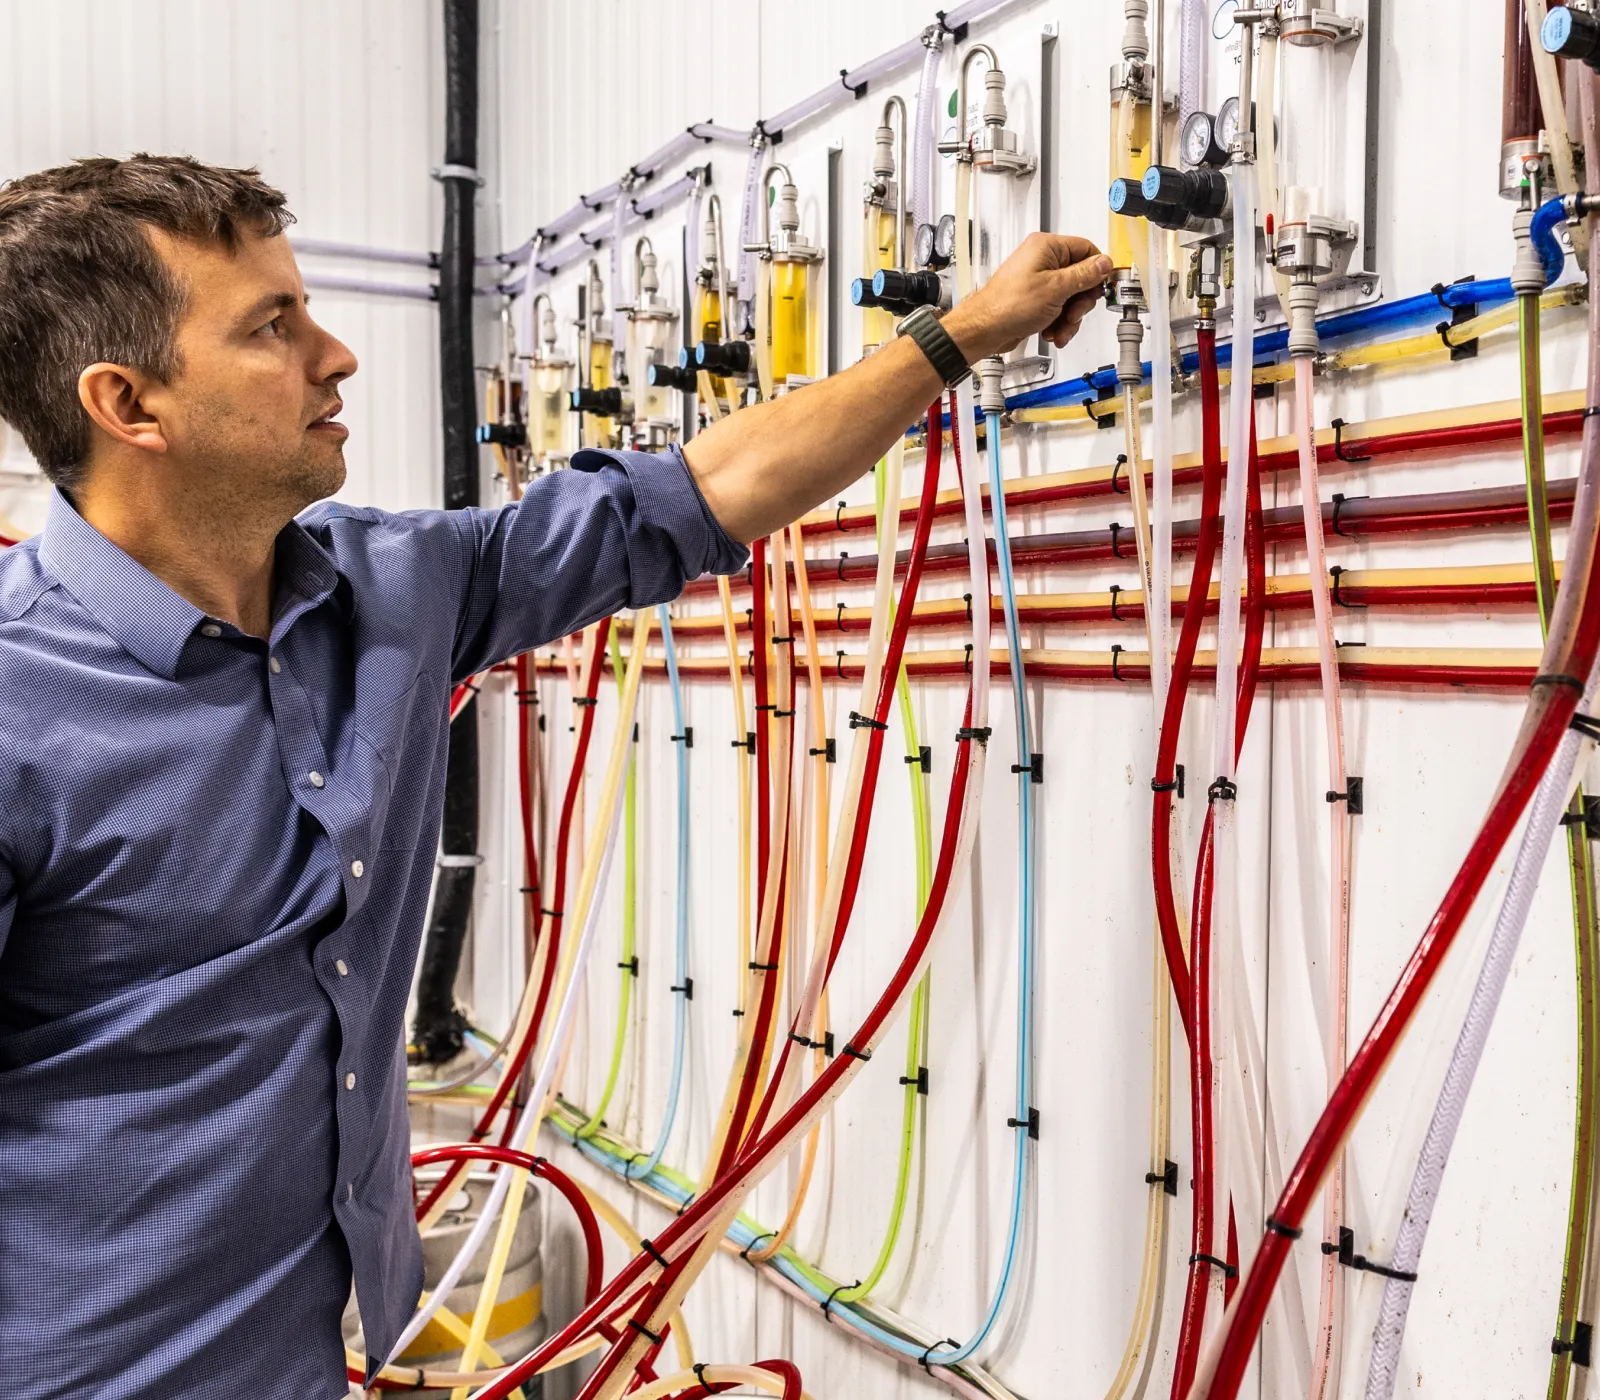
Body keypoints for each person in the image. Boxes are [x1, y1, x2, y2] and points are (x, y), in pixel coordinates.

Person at [0, 154, 1110, 1398]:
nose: (335, 355)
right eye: (271, 326)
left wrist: (956, 337)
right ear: (128, 403)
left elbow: (699, 493)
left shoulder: (395, 589)